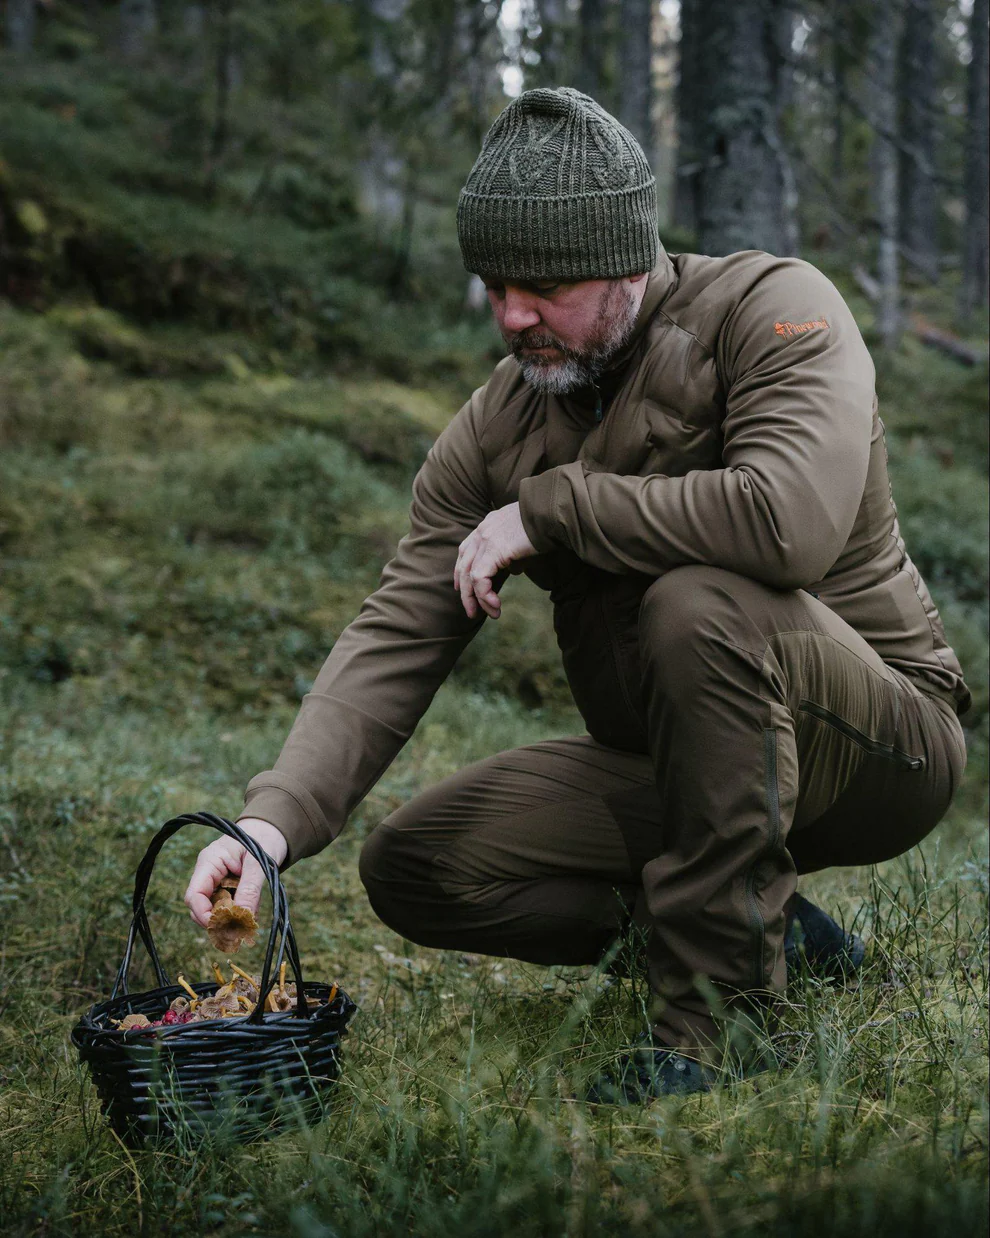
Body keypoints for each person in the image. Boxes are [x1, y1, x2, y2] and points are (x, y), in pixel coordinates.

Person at [184, 88, 969, 1102]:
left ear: (628, 255)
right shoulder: (501, 420)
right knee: (420, 866)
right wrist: (271, 824)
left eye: (544, 284)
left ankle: (720, 1019)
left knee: (700, 601)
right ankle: (769, 931)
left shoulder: (775, 312)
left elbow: (790, 520)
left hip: (878, 740)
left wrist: (549, 515)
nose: (513, 315)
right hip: (689, 765)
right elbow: (397, 628)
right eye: (495, 284)